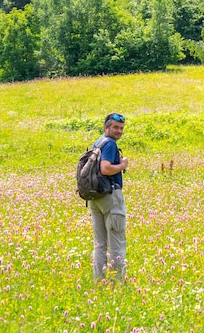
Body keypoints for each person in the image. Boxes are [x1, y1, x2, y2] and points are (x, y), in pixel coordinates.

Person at [89, 113, 129, 282]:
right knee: (117, 243)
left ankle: (99, 281)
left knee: (100, 244)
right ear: (106, 128)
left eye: (121, 128)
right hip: (110, 197)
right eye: (115, 127)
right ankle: (117, 283)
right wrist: (122, 165)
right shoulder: (110, 144)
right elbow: (105, 168)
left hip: (96, 197)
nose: (118, 131)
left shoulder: (98, 142)